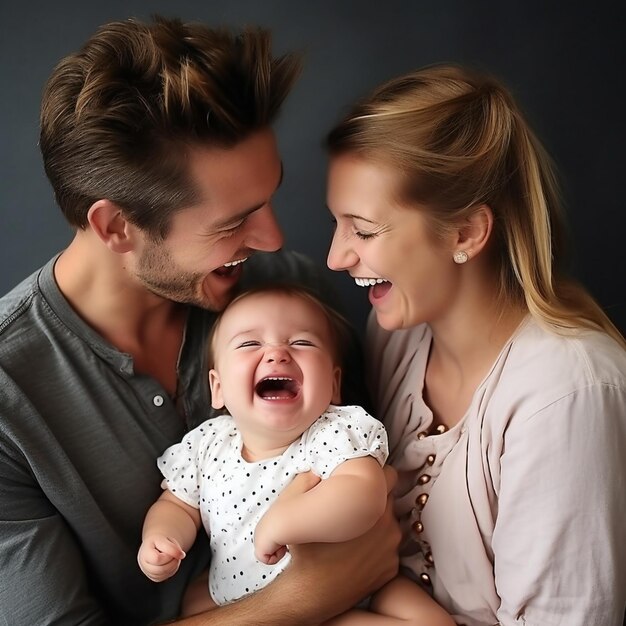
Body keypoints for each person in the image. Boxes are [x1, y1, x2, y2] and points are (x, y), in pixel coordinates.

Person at [0, 16, 400, 626]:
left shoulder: (288, 297)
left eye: (268, 200)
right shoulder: (9, 398)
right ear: (116, 228)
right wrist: (304, 598)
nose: (272, 238)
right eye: (234, 221)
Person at [325, 62, 626, 626]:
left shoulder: (565, 392)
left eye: (362, 231)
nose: (336, 257)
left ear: (465, 232)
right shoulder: (397, 337)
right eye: (337, 225)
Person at [137, 284, 455, 625]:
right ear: (218, 388)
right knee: (192, 606)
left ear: (334, 385)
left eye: (301, 342)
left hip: (358, 589)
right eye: (249, 343)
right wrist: (162, 538)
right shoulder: (207, 445)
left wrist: (282, 523)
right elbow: (177, 505)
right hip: (239, 603)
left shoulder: (332, 432)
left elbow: (364, 494)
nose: (278, 354)